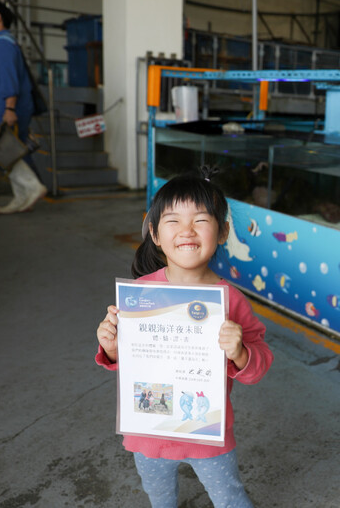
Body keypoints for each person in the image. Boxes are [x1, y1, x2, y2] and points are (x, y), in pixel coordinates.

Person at [95, 167, 273, 508]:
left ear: (222, 232)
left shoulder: (230, 299)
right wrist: (113, 349)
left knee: (231, 499)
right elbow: (129, 365)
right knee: (160, 499)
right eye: (173, 220)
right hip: (148, 431)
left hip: (208, 433)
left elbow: (259, 363)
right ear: (155, 233)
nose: (187, 231)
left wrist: (241, 353)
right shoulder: (139, 294)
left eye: (201, 220)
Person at [0, 0, 47, 214]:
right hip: (10, 104)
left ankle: (32, 187)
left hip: (9, 105)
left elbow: (9, 80)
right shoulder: (5, 43)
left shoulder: (3, 44)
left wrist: (9, 109)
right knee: (13, 151)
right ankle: (21, 197)